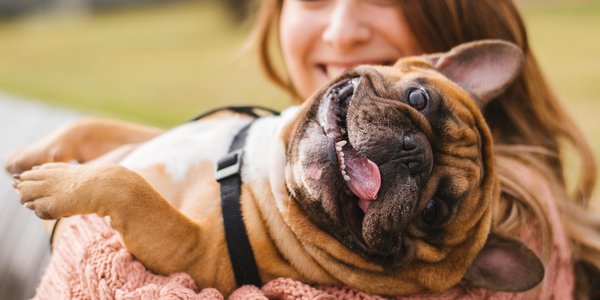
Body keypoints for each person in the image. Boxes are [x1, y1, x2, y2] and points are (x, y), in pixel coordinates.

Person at [6, 0, 599, 298]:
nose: (343, 29)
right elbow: (198, 153)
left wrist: (82, 228)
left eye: (436, 207)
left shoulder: (516, 219)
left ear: (453, 22)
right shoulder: (288, 141)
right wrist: (97, 139)